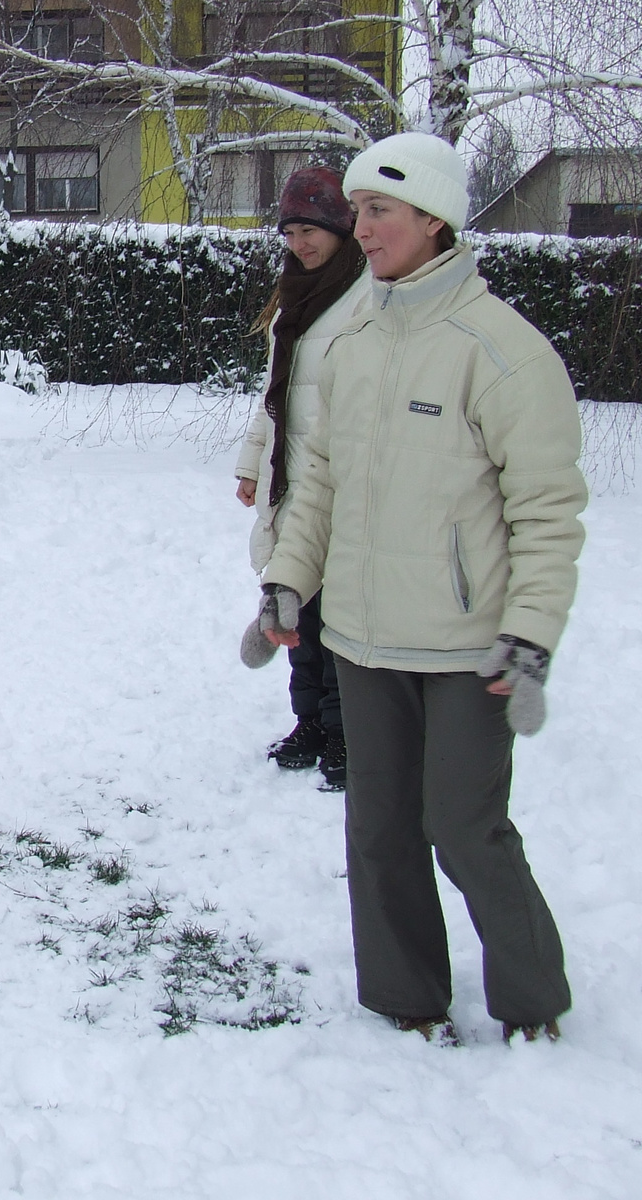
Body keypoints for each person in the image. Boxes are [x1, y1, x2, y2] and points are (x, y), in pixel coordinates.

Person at [239, 133, 586, 1044]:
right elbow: (315, 481)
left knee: (466, 829)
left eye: (378, 210)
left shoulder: (502, 350)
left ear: (434, 218)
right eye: (356, 210)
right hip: (358, 633)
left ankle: (531, 1001)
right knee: (380, 829)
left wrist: (531, 632)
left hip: (469, 643)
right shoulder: (348, 342)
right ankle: (406, 998)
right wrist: (287, 583)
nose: (360, 226)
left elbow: (547, 514)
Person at [235, 166, 367, 791]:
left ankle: (346, 734)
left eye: (310, 228)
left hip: (345, 479)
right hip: (292, 480)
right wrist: (249, 463)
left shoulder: (368, 297)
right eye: (289, 230)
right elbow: (276, 394)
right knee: (299, 609)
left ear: (342, 227)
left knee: (340, 614)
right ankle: (308, 722)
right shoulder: (293, 294)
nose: (298, 242)